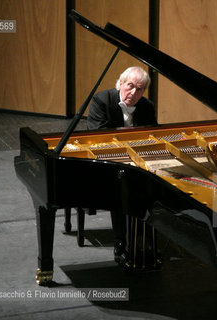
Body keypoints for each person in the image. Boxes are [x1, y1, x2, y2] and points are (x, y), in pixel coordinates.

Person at [87, 66, 157, 263]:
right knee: (119, 187)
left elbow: (152, 135)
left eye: (140, 89)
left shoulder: (147, 106)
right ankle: (120, 240)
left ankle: (147, 236)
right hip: (106, 159)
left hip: (136, 160)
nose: (134, 93)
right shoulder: (102, 100)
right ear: (120, 83)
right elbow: (98, 136)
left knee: (154, 182)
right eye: (130, 86)